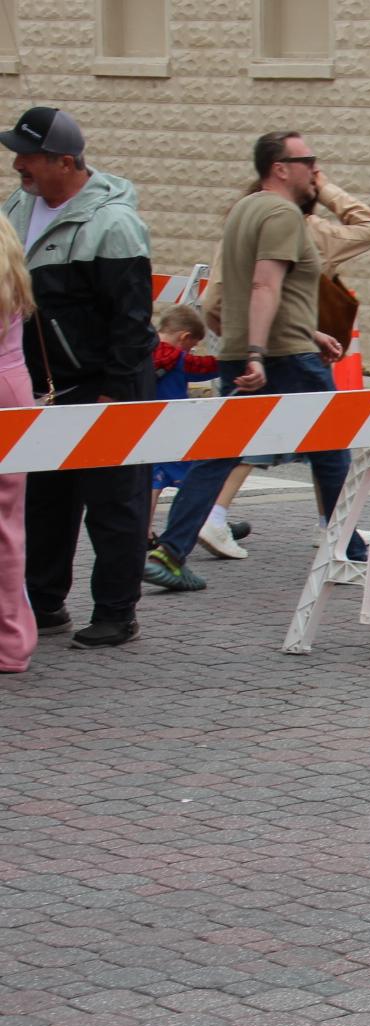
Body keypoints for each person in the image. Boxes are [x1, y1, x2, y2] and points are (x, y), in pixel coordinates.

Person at [145, 131, 360, 592]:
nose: (314, 169)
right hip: (284, 357)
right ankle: (349, 551)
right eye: (306, 161)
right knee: (332, 450)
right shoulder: (282, 214)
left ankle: (171, 552)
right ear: (279, 168)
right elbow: (264, 285)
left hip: (248, 349)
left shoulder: (244, 210)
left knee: (219, 452)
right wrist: (261, 354)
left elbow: (243, 291)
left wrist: (308, 332)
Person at [1, 107, 155, 649]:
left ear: (64, 162)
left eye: (28, 156)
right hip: (44, 383)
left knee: (113, 501)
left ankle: (116, 612)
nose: (17, 165)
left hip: (103, 383)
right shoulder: (18, 205)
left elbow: (131, 320)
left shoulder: (113, 224)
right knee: (46, 499)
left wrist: (115, 389)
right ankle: (43, 604)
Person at [196, 164, 370, 552]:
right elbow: (368, 228)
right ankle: (338, 534)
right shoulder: (307, 228)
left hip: (241, 346)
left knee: (244, 433)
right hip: (293, 349)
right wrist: (326, 188)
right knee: (324, 441)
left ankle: (199, 525)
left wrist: (237, 339)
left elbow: (212, 300)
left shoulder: (237, 228)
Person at [147, 304, 223, 543]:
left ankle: (144, 530)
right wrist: (232, 360)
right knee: (195, 478)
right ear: (184, 337)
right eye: (191, 347)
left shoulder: (143, 352)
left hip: (146, 427)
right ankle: (207, 523)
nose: (190, 352)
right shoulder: (180, 359)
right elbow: (208, 367)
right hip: (174, 429)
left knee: (153, 480)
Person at [0, 218, 37, 672]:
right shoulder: (7, 249)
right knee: (7, 524)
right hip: (13, 383)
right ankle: (11, 638)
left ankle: (10, 640)